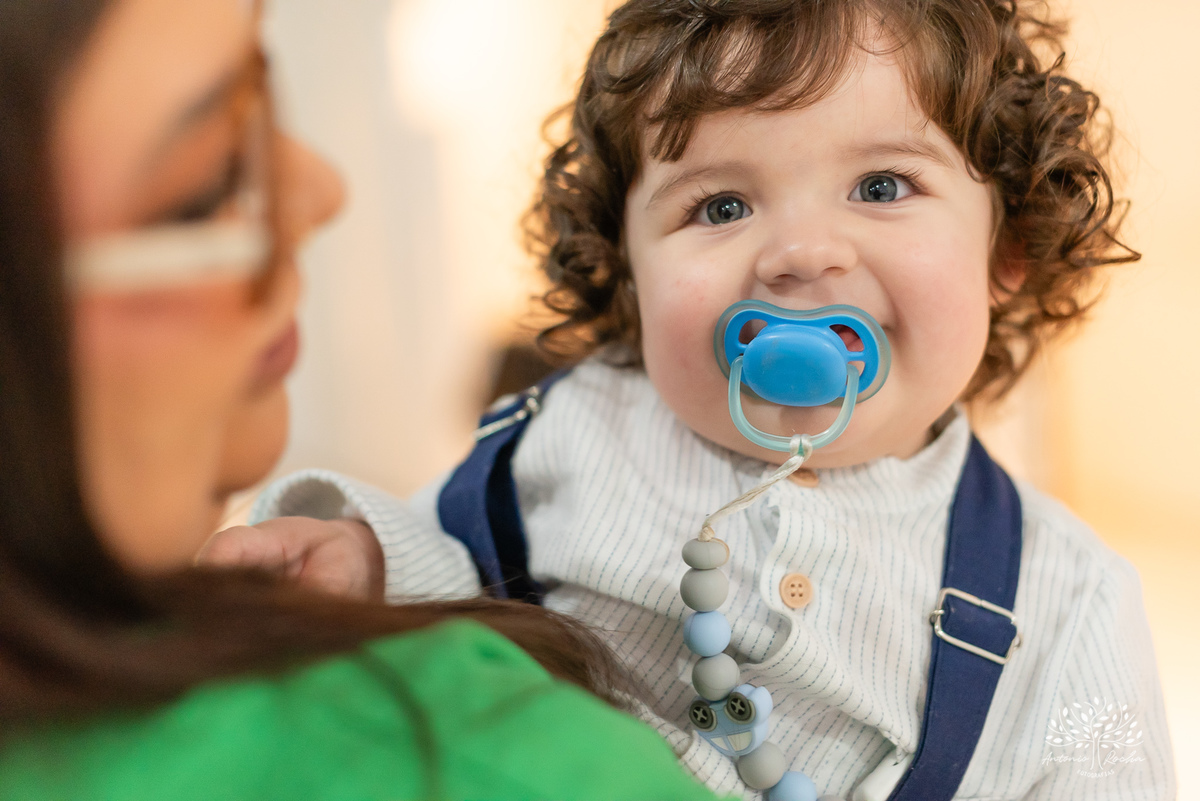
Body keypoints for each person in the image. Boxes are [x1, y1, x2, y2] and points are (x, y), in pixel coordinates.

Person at [217, 0, 1177, 798]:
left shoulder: (1072, 599)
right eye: (721, 206)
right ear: (629, 273)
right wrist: (368, 562)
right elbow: (458, 576)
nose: (801, 252)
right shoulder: (574, 431)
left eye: (882, 185)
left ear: (1009, 248)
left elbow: (1106, 768)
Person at [0, 1, 722, 799]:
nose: (321, 190)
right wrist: (379, 553)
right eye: (207, 185)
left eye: (261, 96)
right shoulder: (485, 756)